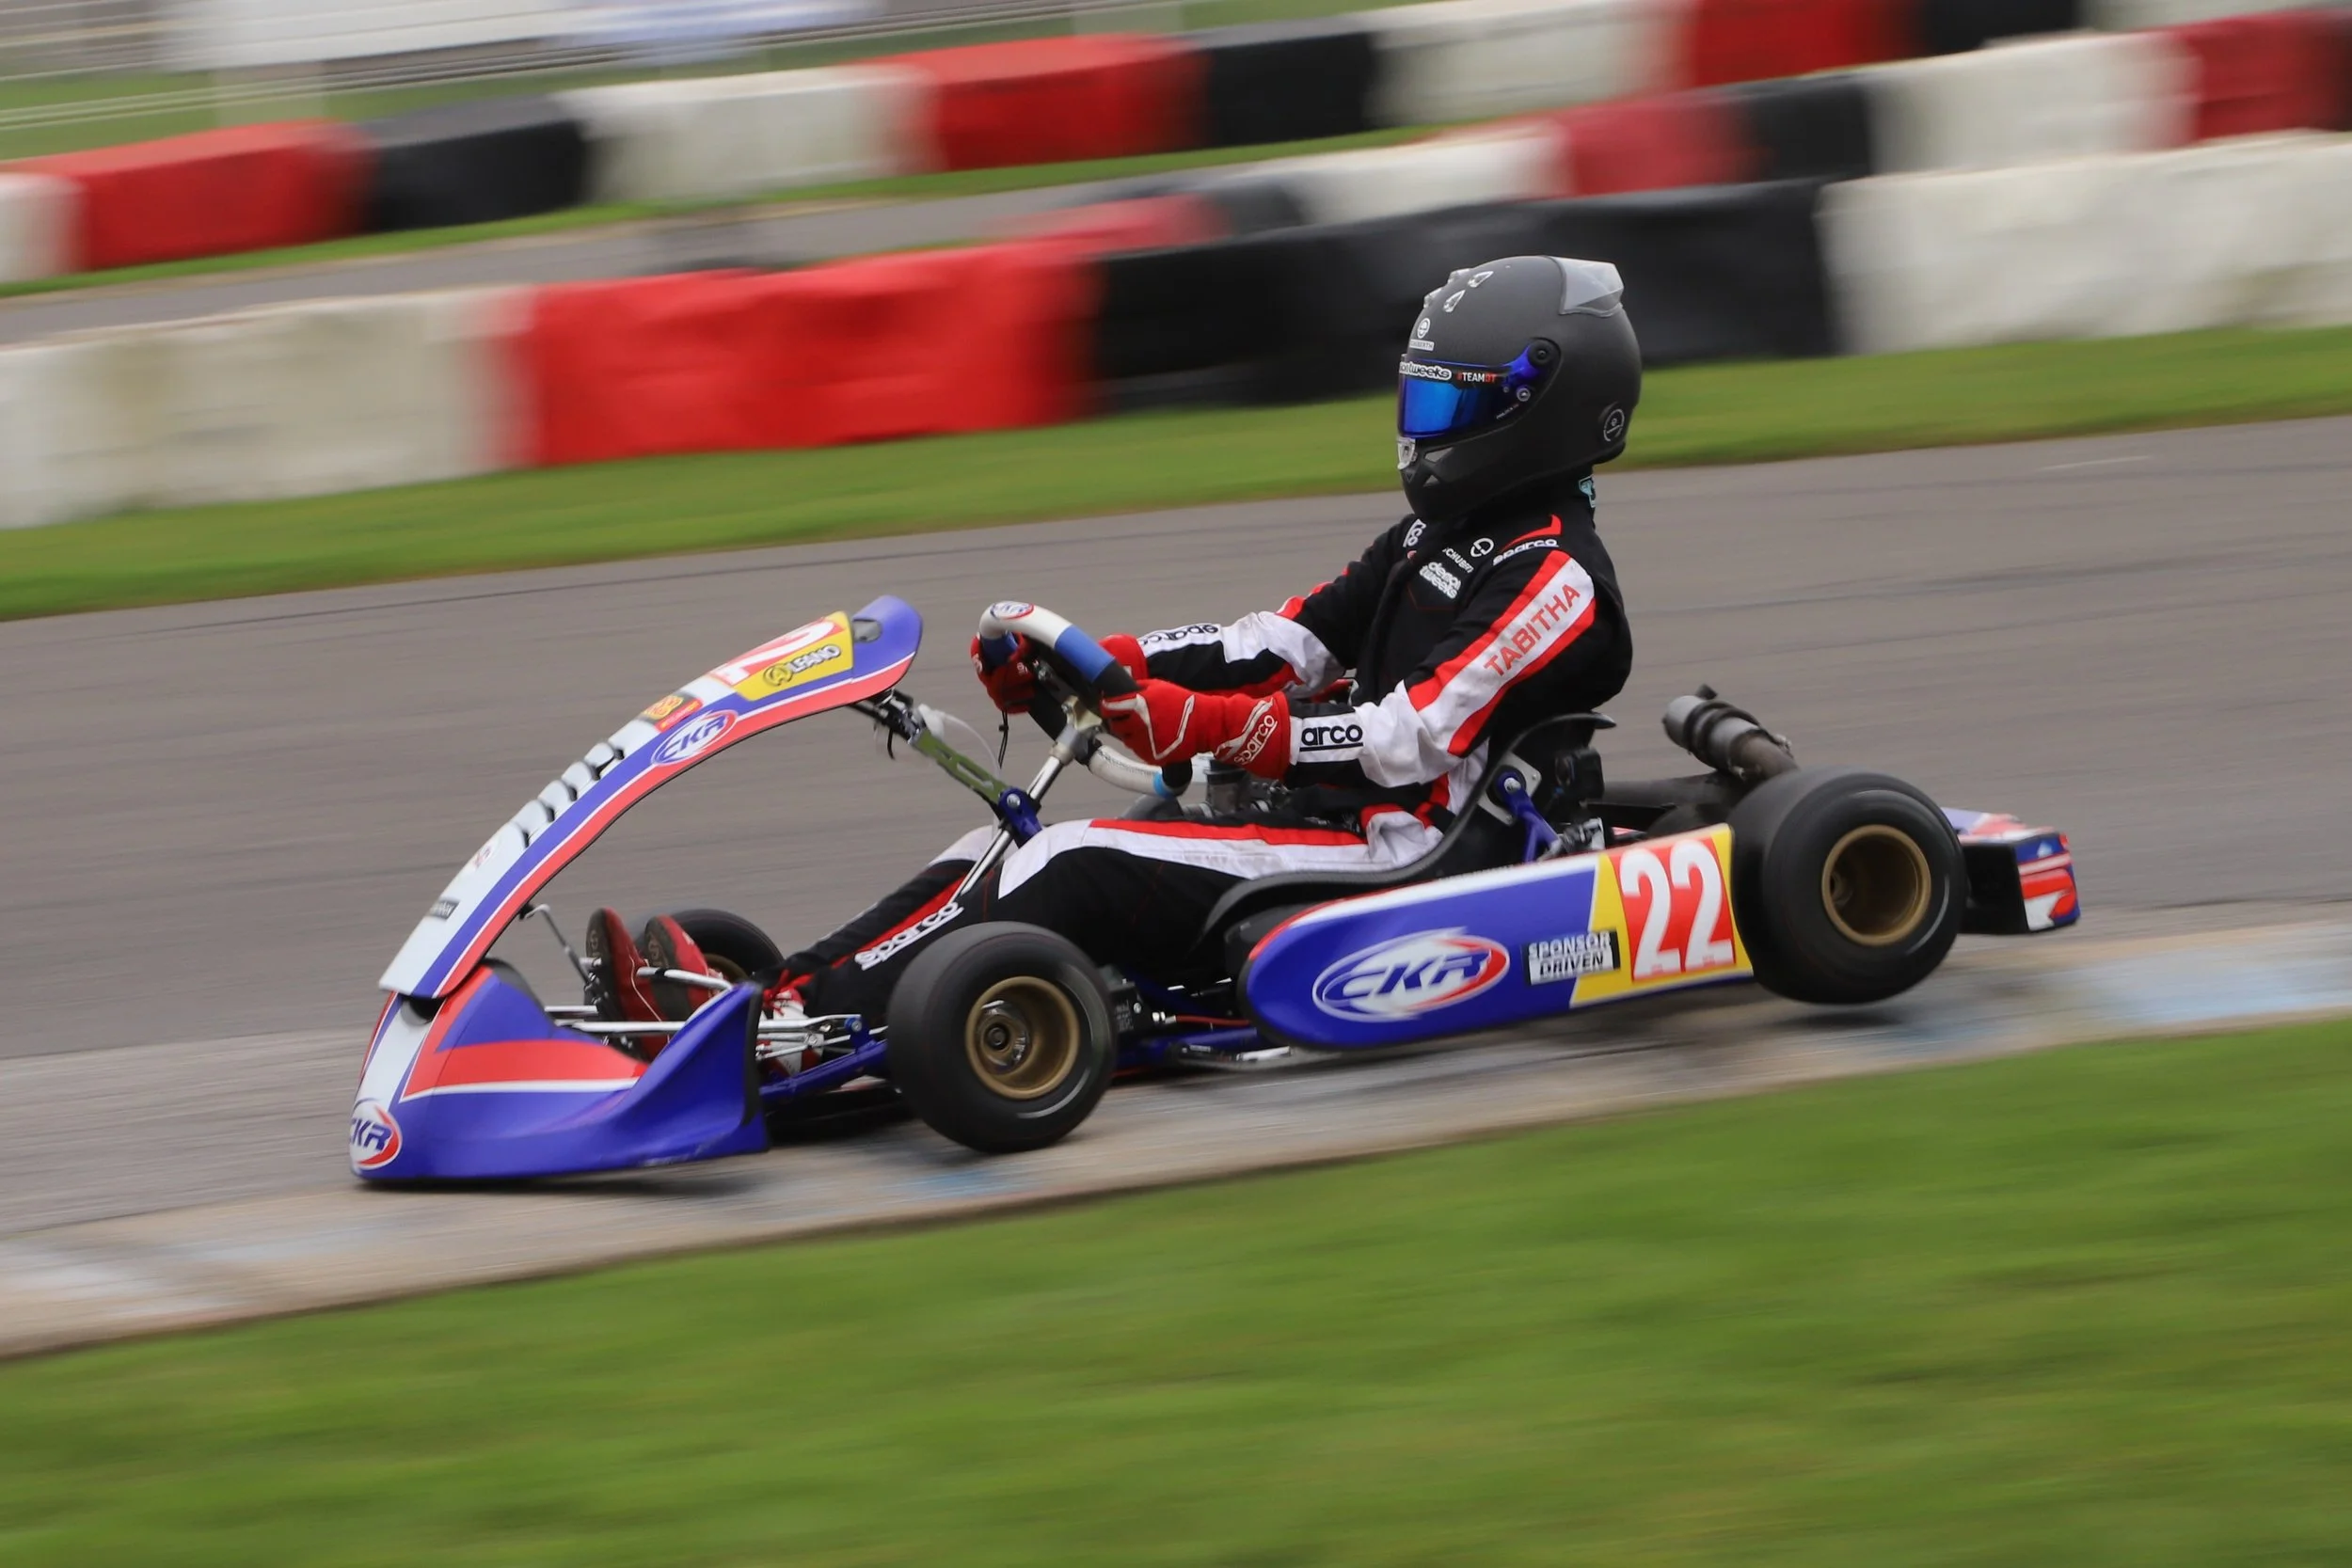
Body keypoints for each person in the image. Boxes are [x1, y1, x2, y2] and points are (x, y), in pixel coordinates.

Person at [588, 254, 1644, 1032]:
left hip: (1409, 853)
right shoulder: (1438, 533)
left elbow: (1405, 739)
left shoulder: (1554, 575)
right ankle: (772, 1000)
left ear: (1539, 406)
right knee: (993, 850)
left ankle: (777, 1031)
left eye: (1447, 404)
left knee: (1076, 855)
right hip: (1320, 821)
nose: (1422, 429)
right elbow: (1282, 643)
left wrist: (1205, 729)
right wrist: (1108, 661)